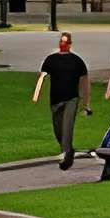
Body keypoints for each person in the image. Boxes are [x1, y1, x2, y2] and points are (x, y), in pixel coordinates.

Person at [31, 32, 91, 168]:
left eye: (65, 42)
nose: (62, 44)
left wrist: (86, 103)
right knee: (58, 130)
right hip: (55, 100)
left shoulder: (77, 61)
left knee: (67, 128)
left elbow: (85, 83)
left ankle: (65, 155)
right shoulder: (51, 59)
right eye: (61, 41)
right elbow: (42, 76)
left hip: (72, 99)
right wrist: (36, 93)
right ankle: (68, 150)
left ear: (70, 44)